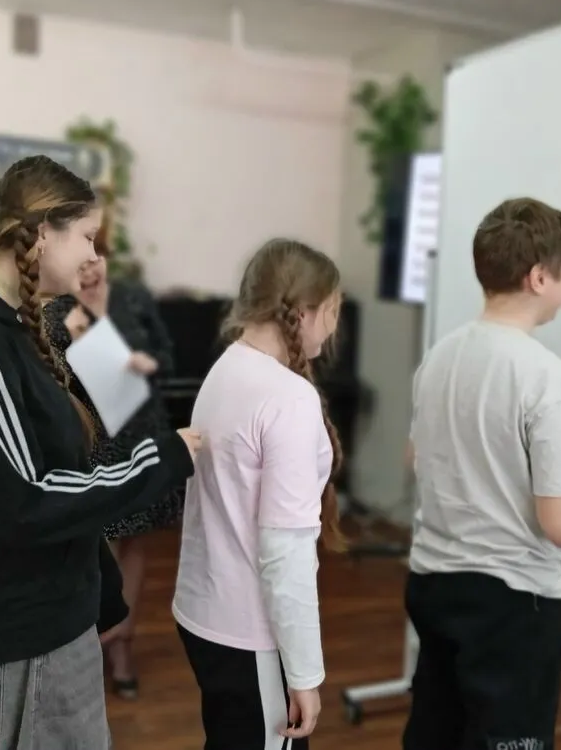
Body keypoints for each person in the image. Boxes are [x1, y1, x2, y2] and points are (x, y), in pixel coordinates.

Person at [0, 154, 200, 750]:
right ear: (44, 231)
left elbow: (87, 436)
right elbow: (23, 501)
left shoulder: (15, 326)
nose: (94, 255)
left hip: (49, 612)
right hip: (14, 626)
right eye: (87, 237)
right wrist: (162, 458)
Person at [402, 197, 561, 750]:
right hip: (512, 603)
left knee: (436, 732)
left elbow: (415, 457)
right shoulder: (549, 378)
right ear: (540, 278)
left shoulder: (440, 355)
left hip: (433, 581)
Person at [172, 238, 344, 749]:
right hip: (250, 632)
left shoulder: (228, 367)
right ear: (304, 312)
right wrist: (305, 674)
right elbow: (285, 553)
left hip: (204, 614)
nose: (333, 327)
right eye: (332, 311)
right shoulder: (288, 397)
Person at [44, 251, 180, 700]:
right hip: (90, 443)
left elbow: (166, 355)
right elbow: (53, 382)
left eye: (95, 255)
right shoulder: (56, 313)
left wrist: (147, 362)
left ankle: (123, 646)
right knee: (91, 549)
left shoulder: (133, 299)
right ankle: (87, 645)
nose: (90, 268)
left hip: (140, 431)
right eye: (80, 258)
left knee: (135, 545)